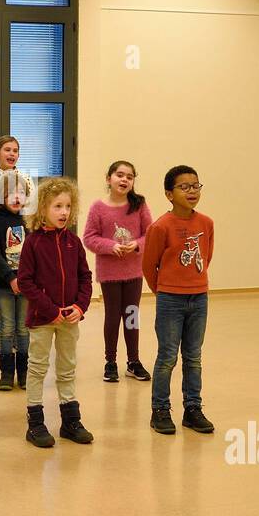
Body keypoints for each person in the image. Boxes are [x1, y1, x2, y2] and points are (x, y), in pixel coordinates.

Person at [17, 177, 93, 448]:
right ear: (42, 210)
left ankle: (70, 420)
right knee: (37, 368)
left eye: (68, 206)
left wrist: (79, 307)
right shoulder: (33, 243)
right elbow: (25, 282)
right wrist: (50, 310)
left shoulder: (74, 241)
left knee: (67, 368)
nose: (64, 212)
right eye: (57, 206)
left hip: (69, 318)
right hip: (42, 319)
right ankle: (35, 422)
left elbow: (85, 277)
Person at [141, 165, 215, 436]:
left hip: (199, 297)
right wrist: (164, 290)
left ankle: (192, 409)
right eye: (184, 187)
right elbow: (149, 266)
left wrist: (195, 284)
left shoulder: (206, 223)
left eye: (196, 185)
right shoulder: (161, 226)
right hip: (170, 299)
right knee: (167, 357)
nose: (192, 191)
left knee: (193, 357)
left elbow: (206, 257)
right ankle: (160, 409)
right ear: (169, 194)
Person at [83, 160, 154, 383]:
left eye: (129, 177)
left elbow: (150, 234)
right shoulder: (98, 207)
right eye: (120, 175)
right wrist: (110, 246)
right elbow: (89, 237)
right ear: (109, 178)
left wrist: (137, 245)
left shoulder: (139, 205)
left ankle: (133, 361)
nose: (124, 179)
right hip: (110, 273)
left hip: (134, 272)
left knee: (132, 316)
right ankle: (110, 362)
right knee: (112, 317)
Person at [0, 135, 33, 354]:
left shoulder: (26, 178)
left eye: (15, 150)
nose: (12, 154)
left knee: (22, 287)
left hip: (21, 242)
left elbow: (32, 212)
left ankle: (17, 332)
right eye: (7, 150)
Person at [0, 170, 31, 391]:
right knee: (7, 329)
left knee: (23, 329)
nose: (16, 197)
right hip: (4, 285)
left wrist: (24, 279)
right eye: (11, 193)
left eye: (21, 192)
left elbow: (35, 254)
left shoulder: (29, 221)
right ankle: (6, 374)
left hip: (26, 285)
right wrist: (11, 277)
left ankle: (23, 373)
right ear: (1, 197)